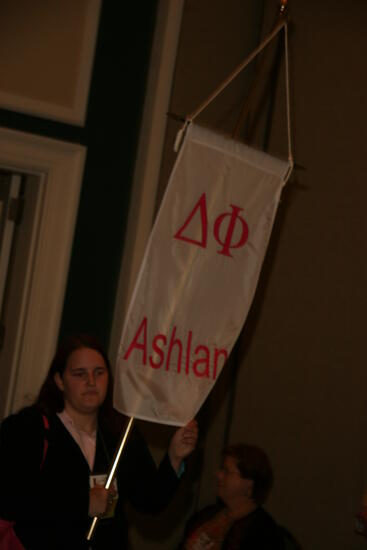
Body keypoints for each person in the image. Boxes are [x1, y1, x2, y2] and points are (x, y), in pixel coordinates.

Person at [0, 334, 198, 549]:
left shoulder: (121, 434)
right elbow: (11, 498)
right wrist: (83, 503)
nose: (91, 382)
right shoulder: (28, 427)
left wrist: (174, 457)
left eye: (99, 373)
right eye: (79, 374)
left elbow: (150, 501)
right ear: (59, 380)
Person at [178, 443, 284, 549]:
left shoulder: (263, 532)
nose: (218, 475)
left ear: (249, 485)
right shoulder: (206, 515)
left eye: (226, 471)